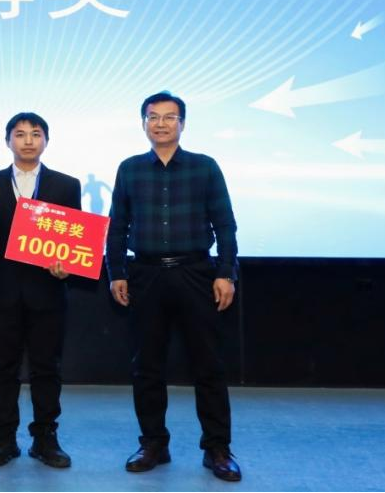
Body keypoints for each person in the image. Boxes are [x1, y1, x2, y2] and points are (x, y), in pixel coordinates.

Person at [105, 92, 242, 481]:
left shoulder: (205, 167)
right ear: (143, 123)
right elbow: (117, 225)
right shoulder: (130, 169)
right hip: (145, 275)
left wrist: (226, 272)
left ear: (182, 124)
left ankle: (217, 448)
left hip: (196, 273)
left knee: (208, 364)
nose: (161, 124)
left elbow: (225, 225)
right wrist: (116, 272)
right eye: (153, 117)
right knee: (146, 366)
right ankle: (153, 443)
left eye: (169, 117)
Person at [0, 112, 82, 469]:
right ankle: (3, 439)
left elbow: (75, 236)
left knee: (47, 368)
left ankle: (46, 438)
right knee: (2, 368)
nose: (28, 140)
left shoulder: (66, 185)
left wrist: (67, 263)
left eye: (36, 133)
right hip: (1, 291)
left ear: (46, 140)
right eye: (20, 134)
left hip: (48, 292)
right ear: (8, 141)